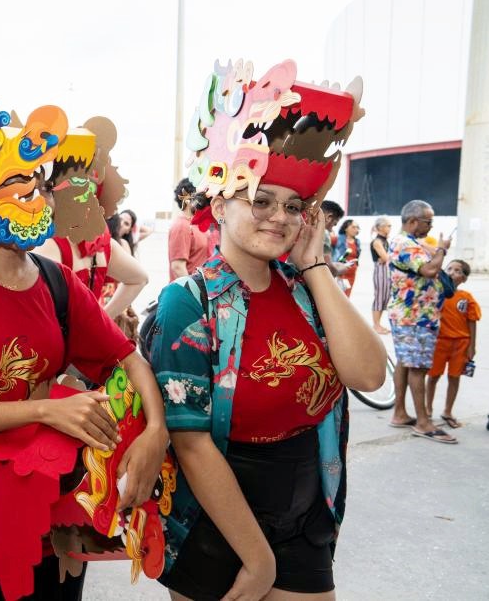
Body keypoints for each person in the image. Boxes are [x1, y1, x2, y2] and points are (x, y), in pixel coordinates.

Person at [0, 91, 167, 599]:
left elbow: (128, 358)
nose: (34, 193)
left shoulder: (57, 281)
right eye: (16, 181)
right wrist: (46, 410)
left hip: (57, 520)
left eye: (38, 182)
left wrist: (155, 430)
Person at [153, 58, 381, 600]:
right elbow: (191, 443)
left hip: (306, 504)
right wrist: (257, 560)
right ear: (219, 204)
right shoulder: (188, 303)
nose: (280, 217)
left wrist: (315, 267)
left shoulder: (306, 289)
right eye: (260, 200)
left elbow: (369, 375)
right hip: (213, 515)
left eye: (294, 205)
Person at [387, 199, 456, 443]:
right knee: (417, 368)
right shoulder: (405, 243)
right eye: (428, 222)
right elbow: (429, 270)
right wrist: (442, 250)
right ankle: (423, 423)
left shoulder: (406, 242)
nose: (430, 226)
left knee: (406, 363)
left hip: (410, 315)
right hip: (415, 317)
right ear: (414, 221)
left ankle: (400, 413)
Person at [425, 260, 480, 430]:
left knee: (454, 377)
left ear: (464, 278)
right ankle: (427, 410)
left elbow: (472, 321)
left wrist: (472, 346)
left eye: (457, 271)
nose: (451, 272)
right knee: (433, 377)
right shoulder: (435, 293)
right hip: (439, 342)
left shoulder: (466, 297)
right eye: (449, 268)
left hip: (461, 343)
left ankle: (448, 411)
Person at [167, 178, 210, 282]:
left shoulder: (197, 225)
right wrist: (192, 290)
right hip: (189, 290)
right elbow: (178, 267)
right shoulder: (182, 226)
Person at [370, 216, 393, 334]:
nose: (390, 228)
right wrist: (391, 256)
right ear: (381, 227)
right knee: (379, 298)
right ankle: (376, 325)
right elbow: (385, 258)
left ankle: (378, 324)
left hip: (386, 270)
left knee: (385, 298)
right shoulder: (377, 241)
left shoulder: (385, 241)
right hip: (380, 271)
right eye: (388, 226)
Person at [320, 200, 349, 278]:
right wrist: (342, 268)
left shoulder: (303, 229)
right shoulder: (323, 233)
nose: (332, 229)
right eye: (334, 223)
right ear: (329, 217)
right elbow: (328, 267)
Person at [334, 218, 360, 296]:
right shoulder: (338, 239)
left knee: (347, 295)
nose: (356, 229)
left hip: (352, 273)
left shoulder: (357, 242)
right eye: (353, 227)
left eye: (357, 227)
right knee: (338, 295)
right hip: (341, 272)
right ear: (346, 228)